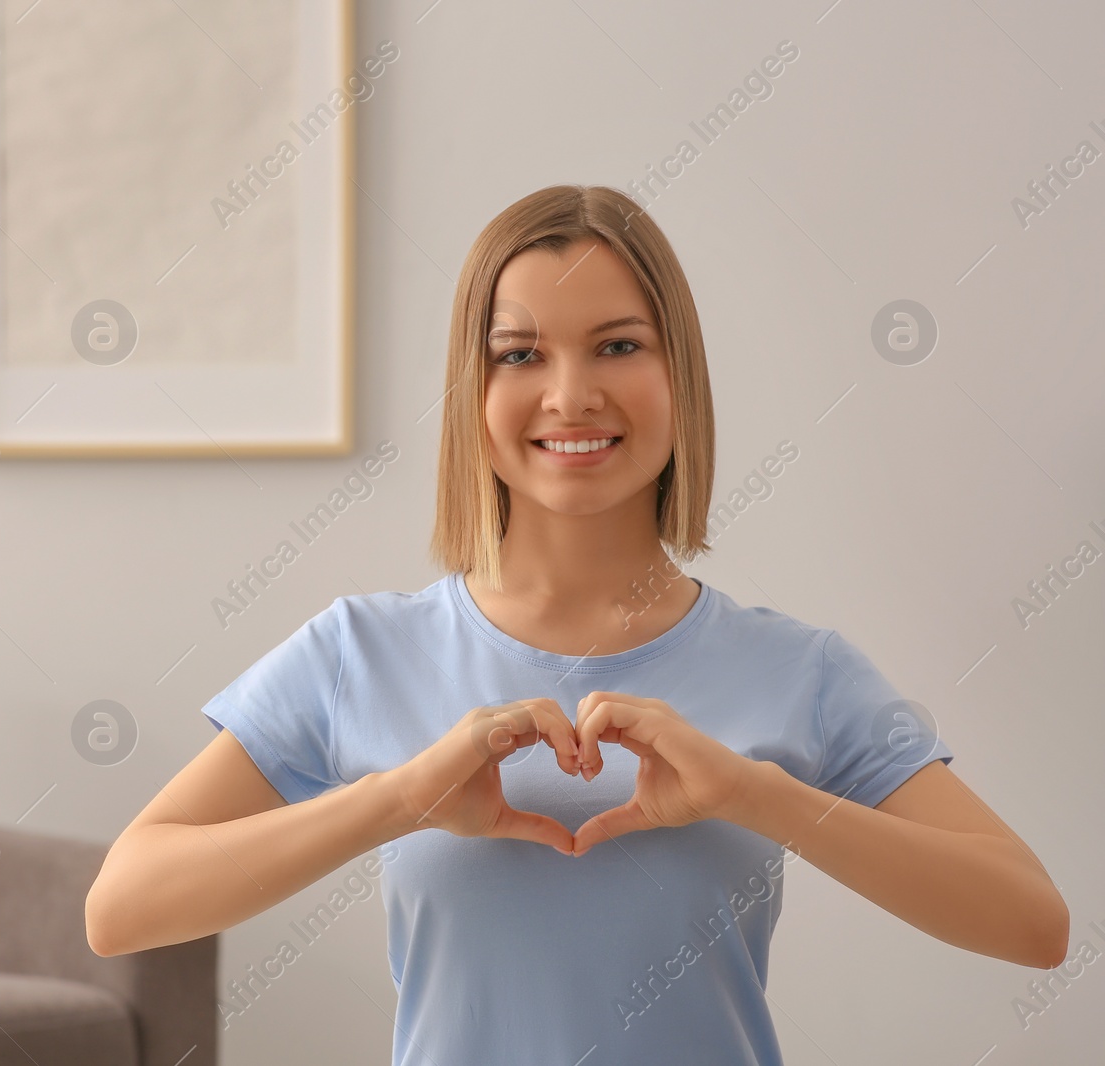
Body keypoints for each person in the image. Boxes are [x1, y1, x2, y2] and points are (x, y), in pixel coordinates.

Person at [84, 184, 1069, 1064]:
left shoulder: (797, 669)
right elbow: (122, 905)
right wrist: (396, 799)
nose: (569, 393)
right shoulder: (358, 653)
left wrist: (752, 792)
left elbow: (1034, 922)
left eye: (617, 344)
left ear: (677, 372)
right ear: (475, 389)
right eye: (520, 353)